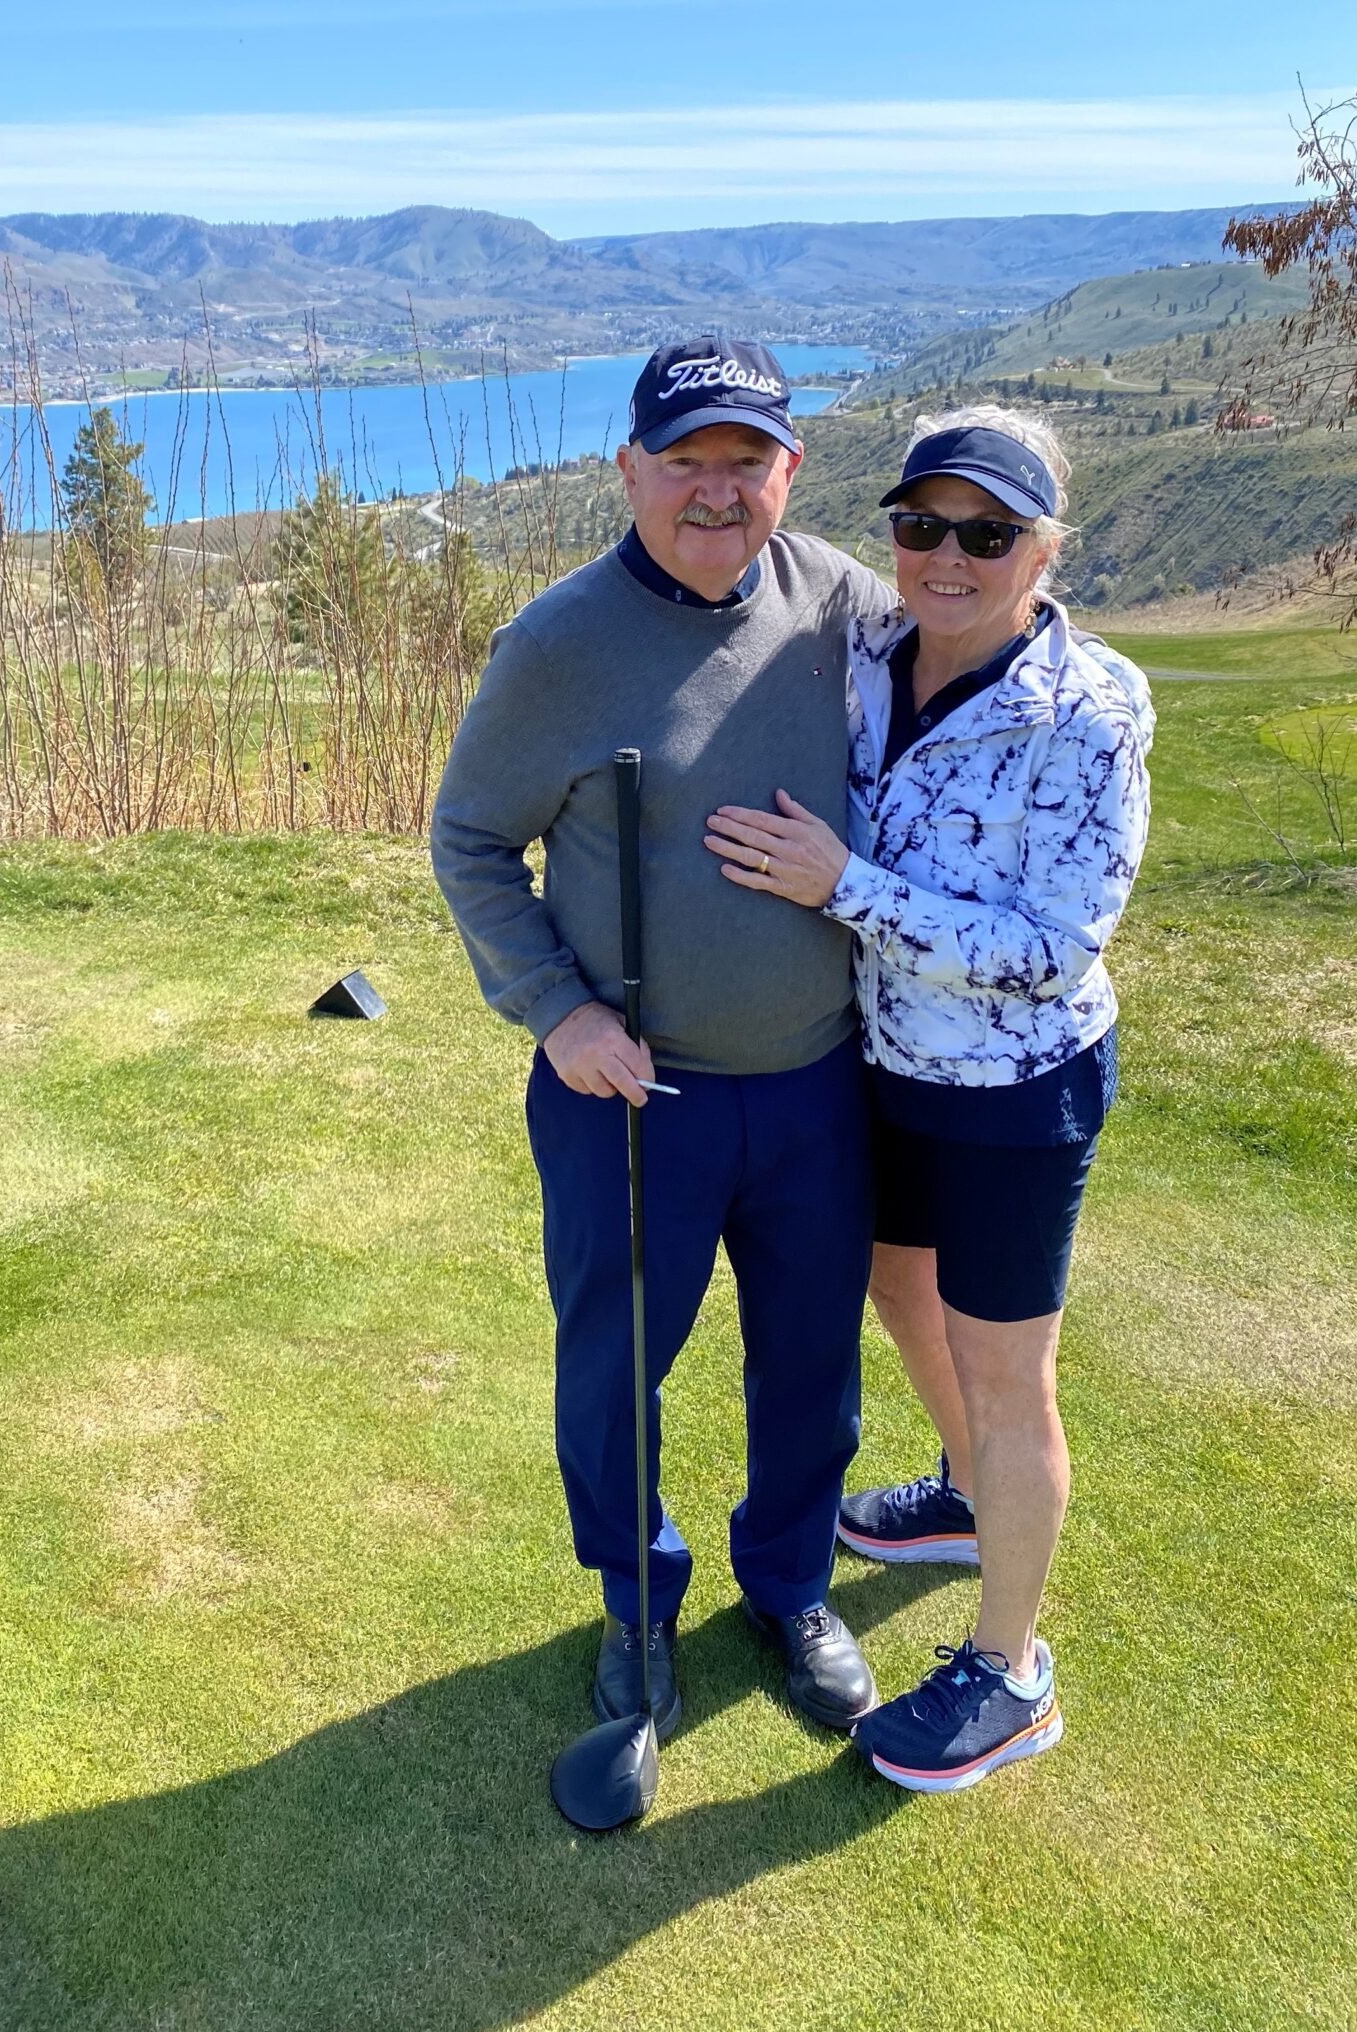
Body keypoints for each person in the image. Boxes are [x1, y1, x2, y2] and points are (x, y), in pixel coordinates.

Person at [432, 337, 894, 1744]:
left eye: (745, 460)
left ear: (789, 470)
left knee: (811, 1367)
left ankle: (789, 1585)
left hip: (817, 1082)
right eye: (684, 460)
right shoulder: (558, 645)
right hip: (630, 1093)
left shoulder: (840, 603)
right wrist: (557, 1008)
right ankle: (636, 1604)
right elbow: (469, 840)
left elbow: (977, 641)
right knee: (615, 1372)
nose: (715, 490)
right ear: (628, 469)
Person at [703, 406, 1153, 1790]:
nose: (947, 556)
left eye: (988, 533)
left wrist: (845, 887)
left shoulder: (1091, 712)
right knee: (899, 1287)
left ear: (1044, 548)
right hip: (881, 1063)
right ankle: (966, 1493)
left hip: (1017, 1089)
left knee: (1009, 1370)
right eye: (920, 524)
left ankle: (1012, 1675)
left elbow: (1052, 950)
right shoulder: (867, 649)